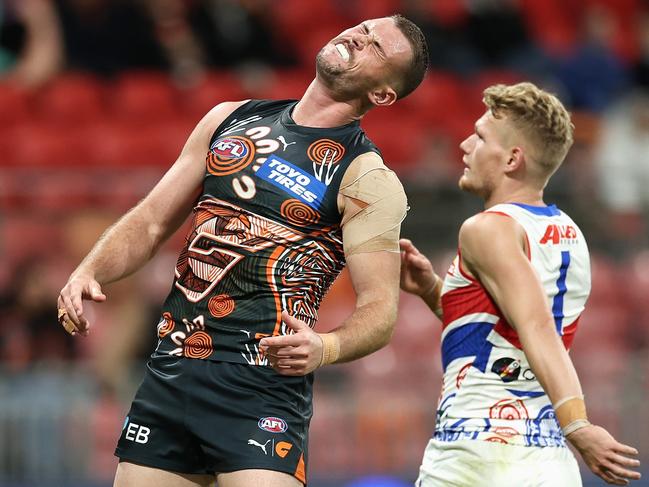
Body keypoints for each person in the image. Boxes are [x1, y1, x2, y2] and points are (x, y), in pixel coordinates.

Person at [57, 14, 428, 487]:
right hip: (172, 372)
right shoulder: (230, 118)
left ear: (382, 95)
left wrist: (325, 346)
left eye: (376, 46)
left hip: (260, 388)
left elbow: (380, 310)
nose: (358, 36)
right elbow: (150, 222)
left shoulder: (368, 179)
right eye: (362, 27)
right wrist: (90, 269)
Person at [399, 82, 642, 486]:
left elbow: (535, 326)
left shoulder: (486, 229)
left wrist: (578, 424)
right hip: (547, 462)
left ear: (512, 159)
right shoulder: (569, 233)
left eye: (479, 137)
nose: (464, 145)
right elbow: (504, 337)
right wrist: (432, 290)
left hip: (474, 452)